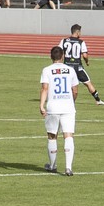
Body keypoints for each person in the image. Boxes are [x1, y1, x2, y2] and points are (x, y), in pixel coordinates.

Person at [38, 46, 77, 176]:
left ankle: (53, 166)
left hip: (53, 107)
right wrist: (72, 101)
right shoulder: (70, 70)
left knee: (52, 135)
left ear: (51, 57)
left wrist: (42, 105)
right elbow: (75, 90)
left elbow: (45, 88)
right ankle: (68, 167)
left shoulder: (47, 70)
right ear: (63, 56)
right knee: (68, 135)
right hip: (68, 107)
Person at [58, 24, 104, 104]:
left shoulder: (63, 41)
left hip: (67, 67)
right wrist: (87, 61)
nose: (81, 34)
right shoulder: (81, 42)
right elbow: (84, 55)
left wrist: (61, 62)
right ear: (77, 32)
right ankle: (98, 100)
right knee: (88, 83)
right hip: (78, 67)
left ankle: (65, 100)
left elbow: (59, 52)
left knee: (67, 85)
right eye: (80, 32)